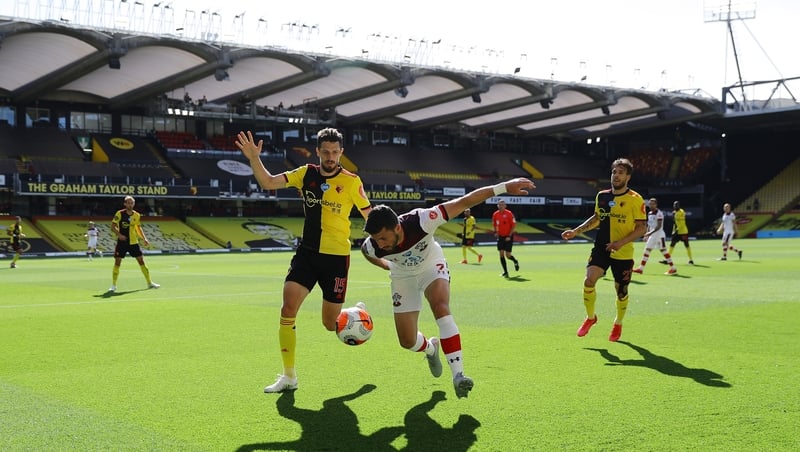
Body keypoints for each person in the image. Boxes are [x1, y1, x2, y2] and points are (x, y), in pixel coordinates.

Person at [361, 177, 535, 398]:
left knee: (441, 306)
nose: (380, 244)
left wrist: (503, 188)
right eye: (376, 240)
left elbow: (465, 201)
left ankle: (459, 375)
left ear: (397, 227)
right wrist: (386, 265)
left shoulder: (422, 220)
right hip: (402, 275)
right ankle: (431, 348)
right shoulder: (373, 246)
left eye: (384, 238)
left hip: (431, 264)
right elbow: (367, 253)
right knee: (407, 341)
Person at [235, 127, 372, 393]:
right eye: (326, 152)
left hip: (336, 258)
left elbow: (369, 214)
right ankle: (289, 376)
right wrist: (254, 158)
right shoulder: (305, 174)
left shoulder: (352, 181)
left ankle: (357, 314)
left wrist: (389, 236)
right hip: (307, 254)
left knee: (329, 325)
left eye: (335, 152)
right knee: (288, 309)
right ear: (318, 152)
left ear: (341, 152)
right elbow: (269, 183)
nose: (331, 157)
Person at [561, 158, 646, 342]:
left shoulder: (635, 199)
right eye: (614, 172)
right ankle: (591, 318)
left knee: (621, 290)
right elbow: (597, 218)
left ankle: (618, 323)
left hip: (622, 251)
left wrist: (620, 243)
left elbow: (641, 228)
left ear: (628, 177)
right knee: (589, 280)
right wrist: (576, 231)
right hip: (601, 247)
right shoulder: (602, 196)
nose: (616, 175)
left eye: (621, 172)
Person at [109, 196, 160, 292]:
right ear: (125, 204)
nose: (130, 204)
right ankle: (113, 285)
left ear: (134, 204)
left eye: (132, 203)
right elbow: (113, 225)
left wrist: (144, 238)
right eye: (128, 203)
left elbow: (138, 228)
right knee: (117, 262)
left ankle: (149, 283)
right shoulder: (120, 213)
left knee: (141, 261)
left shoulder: (137, 215)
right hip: (122, 243)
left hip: (134, 242)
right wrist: (119, 235)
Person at [633, 198, 677, 275]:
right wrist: (647, 234)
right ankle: (641, 269)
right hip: (653, 235)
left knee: (662, 251)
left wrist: (649, 233)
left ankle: (673, 268)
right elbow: (649, 225)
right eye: (650, 203)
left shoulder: (659, 213)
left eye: (653, 204)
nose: (651, 205)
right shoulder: (649, 213)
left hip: (659, 235)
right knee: (649, 250)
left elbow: (659, 226)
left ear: (656, 204)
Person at [492, 200, 520, 277]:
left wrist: (509, 236)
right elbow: (494, 224)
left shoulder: (509, 213)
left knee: (508, 255)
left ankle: (515, 261)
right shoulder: (495, 214)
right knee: (501, 254)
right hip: (500, 236)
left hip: (508, 236)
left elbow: (514, 225)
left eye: (502, 204)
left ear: (505, 206)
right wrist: (495, 232)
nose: (501, 206)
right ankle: (505, 272)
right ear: (497, 206)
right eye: (499, 204)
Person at [665, 201, 694, 265]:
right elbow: (674, 223)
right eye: (674, 205)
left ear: (679, 206)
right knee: (672, 244)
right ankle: (668, 259)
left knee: (686, 245)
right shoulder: (674, 213)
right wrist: (673, 231)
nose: (675, 206)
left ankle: (691, 260)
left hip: (683, 232)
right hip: (676, 232)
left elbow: (682, 223)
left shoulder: (682, 212)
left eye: (677, 205)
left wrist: (676, 230)